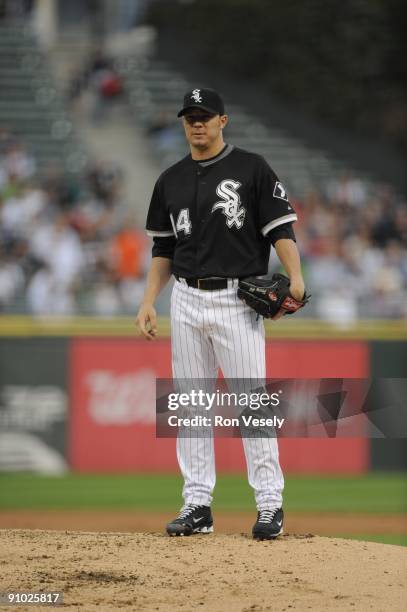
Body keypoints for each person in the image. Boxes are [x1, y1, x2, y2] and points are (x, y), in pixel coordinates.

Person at [136, 88, 305, 540]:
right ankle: (197, 505)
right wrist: (150, 299)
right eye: (190, 116)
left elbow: (280, 229)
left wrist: (296, 275)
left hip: (236, 298)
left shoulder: (251, 167)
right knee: (192, 408)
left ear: (222, 121)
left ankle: (270, 505)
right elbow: (162, 248)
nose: (197, 123)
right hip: (186, 299)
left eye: (205, 116)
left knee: (253, 406)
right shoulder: (169, 179)